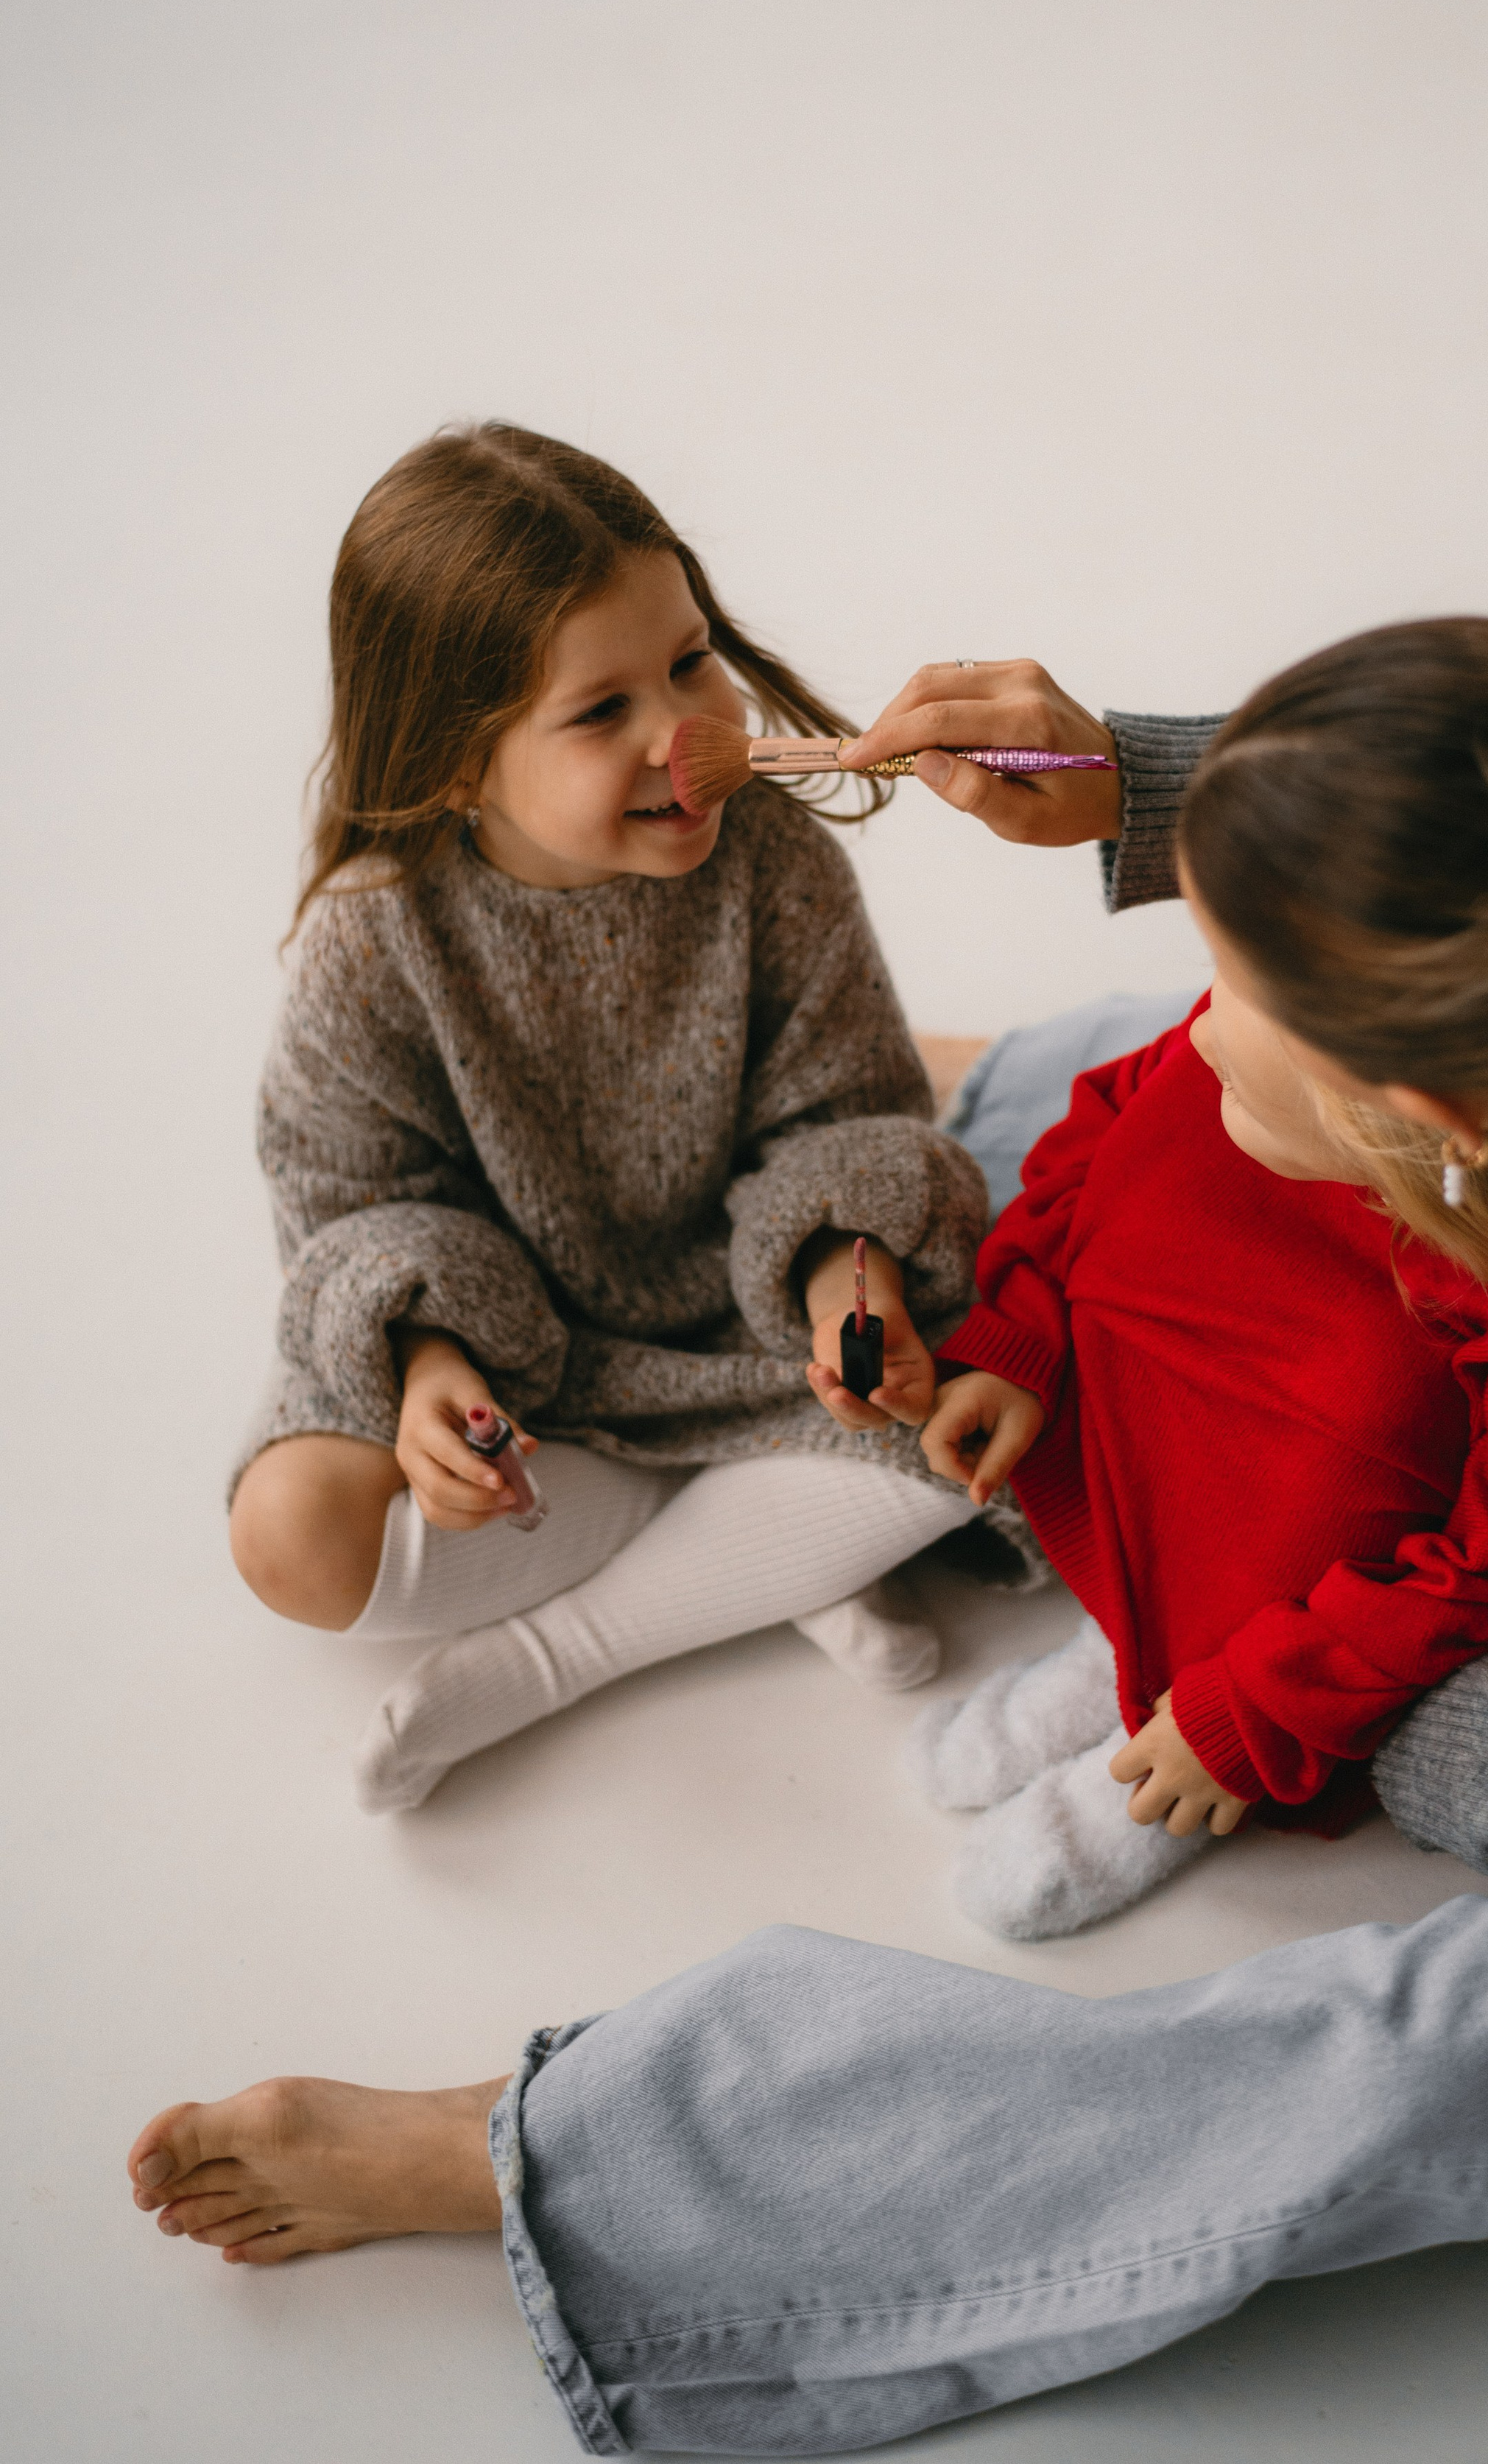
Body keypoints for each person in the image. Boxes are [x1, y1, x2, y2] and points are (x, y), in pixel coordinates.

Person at [130, 621, 1488, 2462]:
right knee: (1172, 1097)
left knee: (1406, 2060)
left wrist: (1324, 1687)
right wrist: (1147, 783)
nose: (1205, 1005)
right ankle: (927, 1127)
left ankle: (603, 2161)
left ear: (1437, 1119)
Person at [228, 422, 995, 1817]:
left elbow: (843, 1116)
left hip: (742, 1330)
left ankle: (558, 1651)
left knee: (974, 1436)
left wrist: (847, 1289)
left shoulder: (773, 859)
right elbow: (350, 1205)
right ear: (455, 766)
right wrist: (427, 1378)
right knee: (289, 1534)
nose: (685, 734)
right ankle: (755, 1549)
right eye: (600, 713)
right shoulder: (378, 935)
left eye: (691, 661)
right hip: (527, 1374)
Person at [889, 919, 1488, 1939]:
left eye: (1241, 1000)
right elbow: (1106, 1115)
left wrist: (1263, 1709)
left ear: (1407, 1106)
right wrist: (1017, 1335)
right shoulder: (1227, 1047)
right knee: (1162, 1148)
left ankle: (1186, 1724)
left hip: (1319, 1599)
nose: (1198, 1031)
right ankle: (1123, 1641)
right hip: (1175, 1447)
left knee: (1355, 1437)